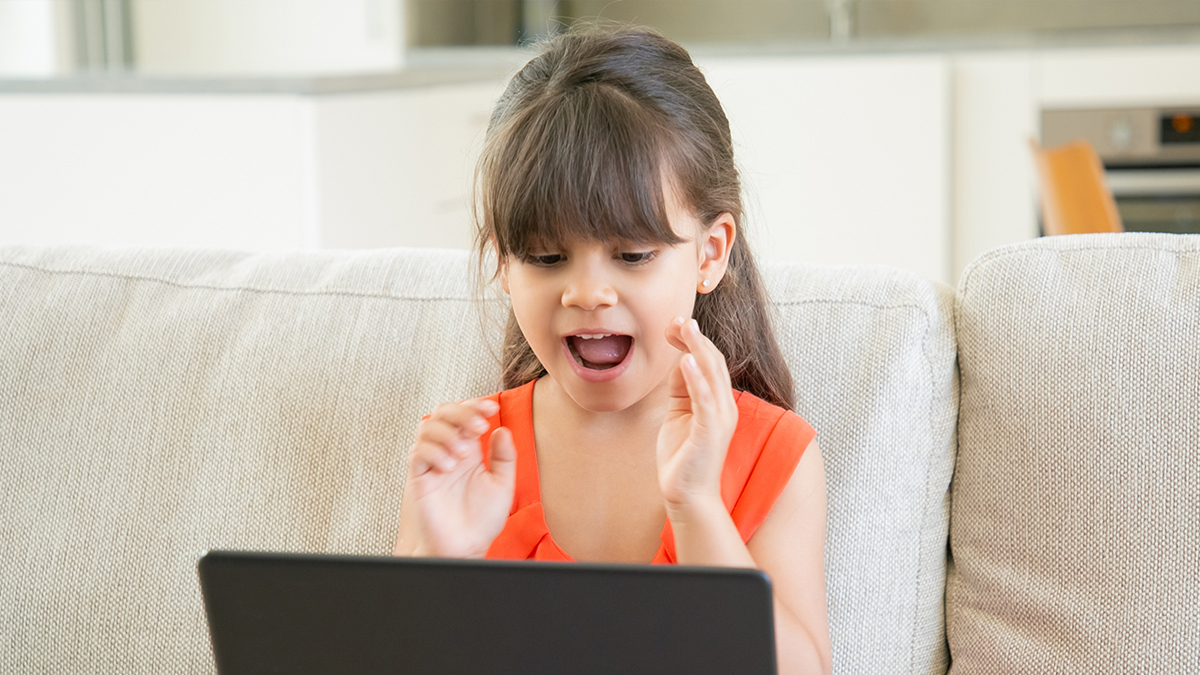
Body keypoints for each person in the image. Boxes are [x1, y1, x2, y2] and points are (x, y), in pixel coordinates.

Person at [394, 24, 832, 675]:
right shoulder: (464, 457)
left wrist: (698, 508)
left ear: (710, 253)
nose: (589, 292)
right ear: (503, 265)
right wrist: (441, 563)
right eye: (547, 256)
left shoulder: (774, 454)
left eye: (631, 255)